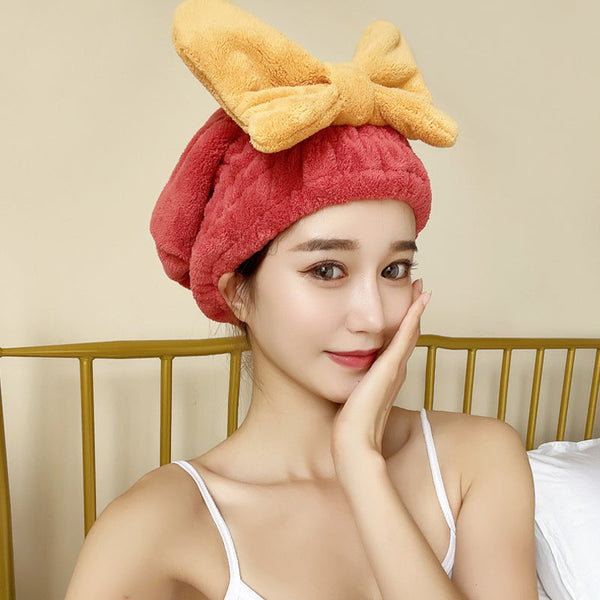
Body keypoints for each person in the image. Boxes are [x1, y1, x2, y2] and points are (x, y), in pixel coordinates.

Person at [64, 0, 538, 598]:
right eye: (326, 269)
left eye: (395, 269)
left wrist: (361, 464)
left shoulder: (480, 458)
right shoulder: (157, 526)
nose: (374, 316)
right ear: (237, 292)